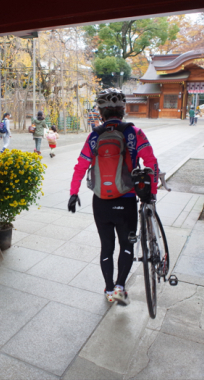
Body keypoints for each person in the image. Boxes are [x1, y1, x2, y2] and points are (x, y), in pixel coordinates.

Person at [68, 88, 160, 305]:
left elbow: (80, 167)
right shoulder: (134, 132)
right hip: (127, 199)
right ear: (122, 110)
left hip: (101, 202)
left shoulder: (94, 136)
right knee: (126, 245)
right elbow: (152, 163)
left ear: (101, 112)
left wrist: (73, 194)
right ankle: (120, 286)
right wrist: (152, 192)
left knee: (106, 246)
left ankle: (109, 290)